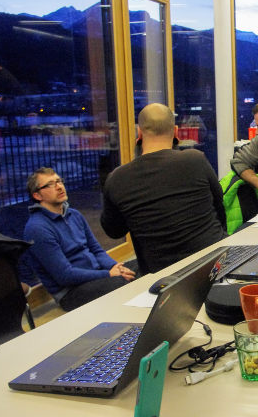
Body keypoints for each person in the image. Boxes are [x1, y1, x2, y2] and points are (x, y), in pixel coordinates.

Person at [101, 103, 227, 273]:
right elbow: (219, 203)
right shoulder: (195, 160)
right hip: (216, 263)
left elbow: (114, 231)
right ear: (175, 131)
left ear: (139, 133)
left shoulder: (117, 178)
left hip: (162, 277)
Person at [23, 168, 135, 311]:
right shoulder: (37, 228)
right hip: (71, 292)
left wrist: (115, 267)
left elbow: (96, 250)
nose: (59, 187)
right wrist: (108, 274)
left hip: (97, 275)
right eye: (50, 184)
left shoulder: (74, 214)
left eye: (59, 181)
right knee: (122, 284)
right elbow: (65, 275)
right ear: (37, 195)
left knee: (143, 266)